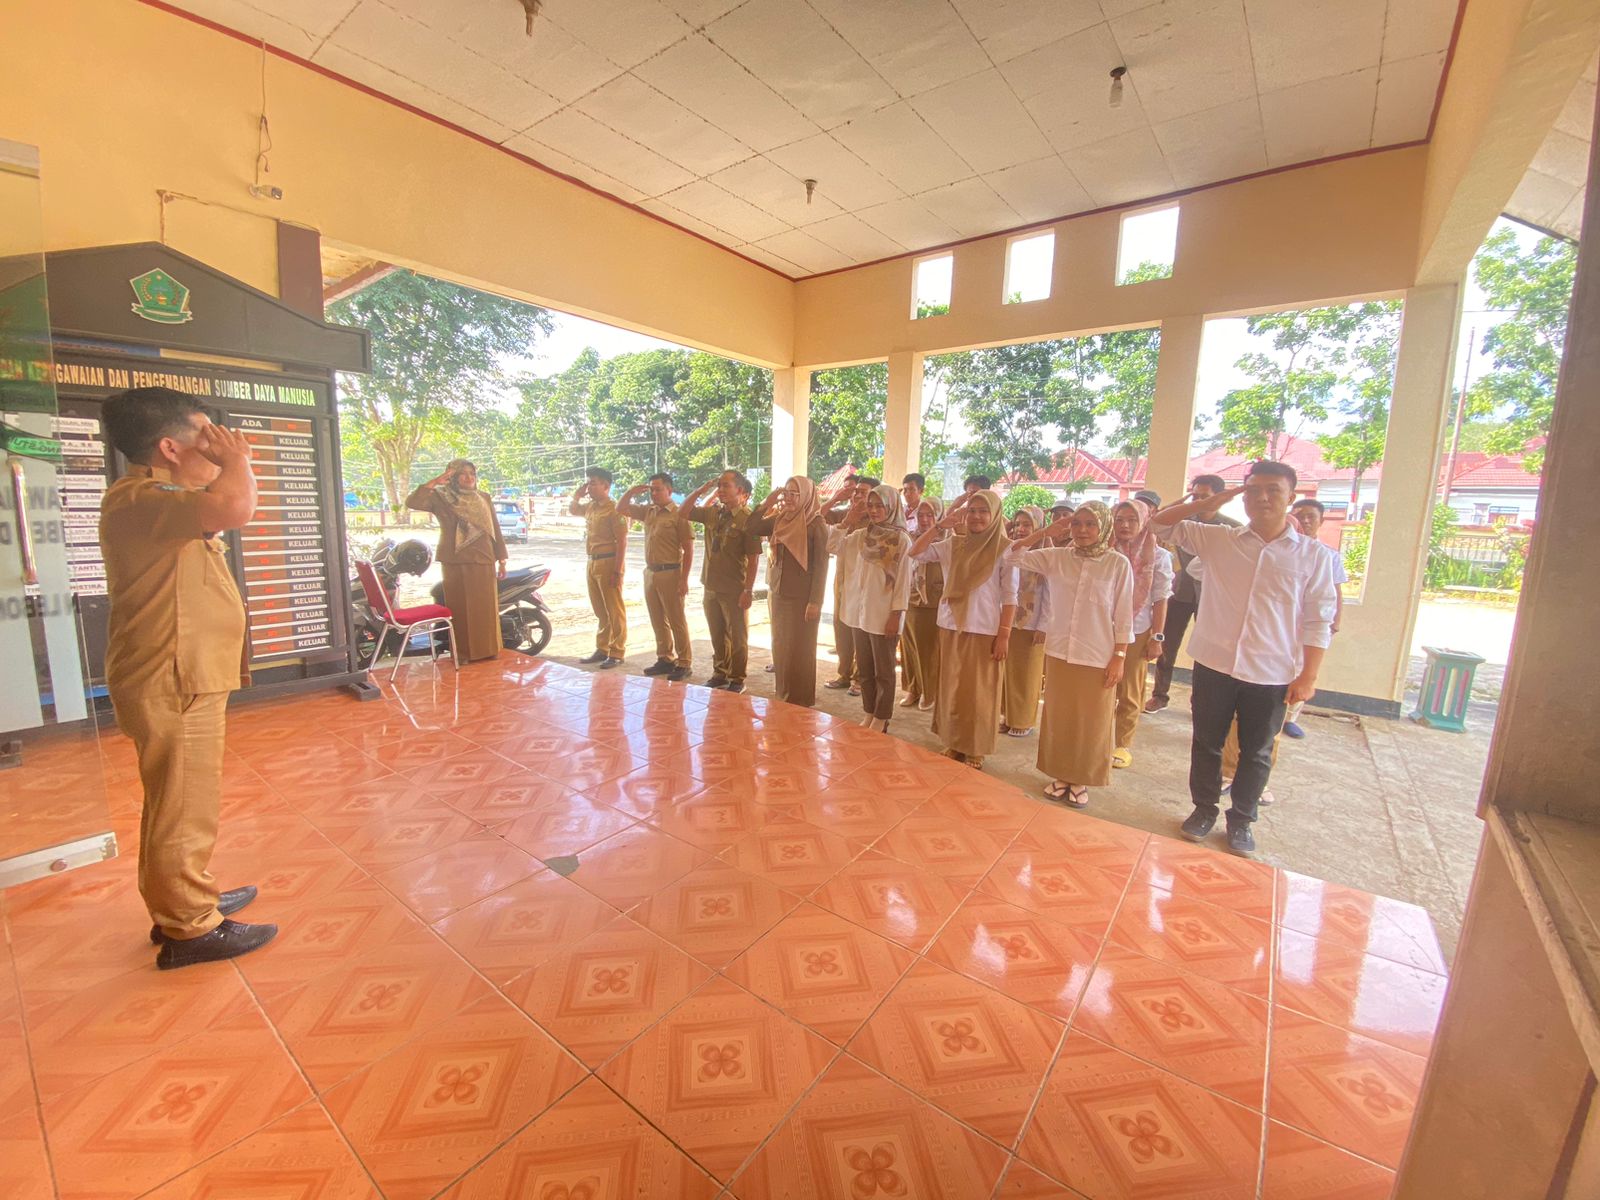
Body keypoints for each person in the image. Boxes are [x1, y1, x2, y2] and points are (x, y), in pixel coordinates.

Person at [98, 387, 276, 969]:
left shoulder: (160, 500)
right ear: (170, 448)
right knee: (182, 803)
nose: (219, 445)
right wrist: (238, 461)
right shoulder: (145, 497)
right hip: (172, 675)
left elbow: (221, 506)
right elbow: (236, 507)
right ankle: (190, 926)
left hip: (178, 673)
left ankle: (182, 897)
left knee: (175, 800)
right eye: (206, 435)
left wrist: (226, 466)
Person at [1150, 462, 1339, 856]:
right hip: (1215, 663)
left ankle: (1241, 820)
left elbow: (1318, 618)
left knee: (1257, 751)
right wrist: (1208, 503)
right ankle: (1203, 810)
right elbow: (1158, 524)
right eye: (1253, 490)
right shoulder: (1219, 539)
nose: (1262, 498)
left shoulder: (1314, 556)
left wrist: (1309, 675)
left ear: (1291, 496)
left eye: (1273, 490)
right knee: (1206, 743)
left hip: (1272, 670)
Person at [1007, 502, 1133, 808]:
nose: (1082, 530)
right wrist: (1045, 532)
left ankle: (1081, 779)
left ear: (1103, 526)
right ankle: (1061, 774)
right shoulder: (1057, 557)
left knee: (1091, 720)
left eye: (1090, 524)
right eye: (1077, 524)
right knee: (1059, 717)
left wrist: (1119, 656)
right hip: (1060, 651)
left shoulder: (1117, 564)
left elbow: (1124, 614)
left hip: (1097, 655)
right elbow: (1012, 556)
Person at [908, 490, 1016, 769]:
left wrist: (1004, 635)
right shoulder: (953, 544)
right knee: (953, 689)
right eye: (971, 511)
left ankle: (975, 747)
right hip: (950, 625)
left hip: (984, 630)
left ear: (995, 515)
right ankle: (954, 742)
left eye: (983, 511)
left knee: (979, 693)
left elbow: (1010, 596)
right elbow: (915, 552)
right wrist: (939, 526)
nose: (976, 516)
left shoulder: (1005, 549)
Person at [1146, 473, 1239, 713]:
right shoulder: (1182, 522)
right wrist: (1187, 503)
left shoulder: (1232, 528)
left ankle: (1201, 701)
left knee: (1209, 648)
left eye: (1204, 496)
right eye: (1195, 495)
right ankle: (1160, 695)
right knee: (1167, 645)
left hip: (1213, 597)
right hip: (1179, 593)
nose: (1199, 500)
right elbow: (1155, 521)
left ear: (1219, 497)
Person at [409, 459, 508, 663]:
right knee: (461, 608)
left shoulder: (484, 497)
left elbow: (494, 528)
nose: (469, 477)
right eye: (463, 473)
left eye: (472, 473)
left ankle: (489, 649)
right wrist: (435, 481)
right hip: (455, 560)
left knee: (485, 608)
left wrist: (502, 559)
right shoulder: (441, 497)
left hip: (484, 558)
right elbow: (413, 502)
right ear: (453, 477)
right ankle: (463, 653)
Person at [836, 484, 912, 732]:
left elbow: (903, 582)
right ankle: (869, 711)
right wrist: (847, 520)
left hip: (884, 615)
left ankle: (882, 717)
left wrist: (896, 615)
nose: (874, 510)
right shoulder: (861, 536)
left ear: (892, 507)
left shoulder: (901, 540)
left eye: (880, 506)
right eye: (870, 505)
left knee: (884, 671)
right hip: (859, 613)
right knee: (865, 669)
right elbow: (832, 546)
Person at [748, 476, 830, 705]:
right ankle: (783, 694)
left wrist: (815, 601)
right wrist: (768, 501)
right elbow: (751, 527)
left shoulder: (815, 524)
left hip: (803, 597)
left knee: (801, 647)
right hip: (778, 591)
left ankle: (801, 700)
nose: (789, 498)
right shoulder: (780, 518)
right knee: (781, 645)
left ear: (807, 496)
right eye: (786, 492)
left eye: (795, 493)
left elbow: (821, 566)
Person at [681, 470, 761, 692]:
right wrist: (701, 490)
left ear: (740, 490)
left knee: (737, 636)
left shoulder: (748, 520)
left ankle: (737, 678)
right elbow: (683, 511)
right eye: (719, 486)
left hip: (734, 588)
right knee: (717, 633)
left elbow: (754, 559)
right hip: (711, 585)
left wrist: (748, 590)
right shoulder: (713, 513)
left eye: (726, 486)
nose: (721, 490)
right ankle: (720, 673)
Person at [1110, 498, 1173, 768]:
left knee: (1130, 690)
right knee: (1101, 687)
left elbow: (1160, 600)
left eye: (1132, 520)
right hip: (1103, 629)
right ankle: (1097, 737)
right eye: (1119, 519)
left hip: (1138, 629)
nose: (1124, 525)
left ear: (1145, 521)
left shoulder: (1158, 556)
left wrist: (1157, 638)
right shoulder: (1105, 550)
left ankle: (1122, 744)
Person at [1282, 498, 1348, 738]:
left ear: (1321, 521)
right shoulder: (1283, 549)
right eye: (1300, 516)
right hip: (1284, 622)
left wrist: (1335, 622)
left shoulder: (1329, 555)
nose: (1305, 521)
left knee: (1303, 668)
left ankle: (1290, 718)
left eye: (1311, 517)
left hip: (1312, 623)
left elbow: (1335, 591)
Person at [617, 473, 693, 681]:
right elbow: (620, 508)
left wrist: (684, 579)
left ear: (669, 490)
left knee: (676, 619)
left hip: (671, 572)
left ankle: (684, 661)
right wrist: (631, 492)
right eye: (651, 489)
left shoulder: (679, 514)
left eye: (658, 489)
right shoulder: (648, 511)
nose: (654, 493)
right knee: (657, 618)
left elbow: (688, 549)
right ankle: (665, 657)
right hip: (651, 572)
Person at [567, 467, 627, 668]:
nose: (589, 487)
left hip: (609, 562)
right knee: (600, 609)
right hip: (592, 561)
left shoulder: (614, 509)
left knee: (614, 609)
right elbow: (573, 510)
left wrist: (618, 571)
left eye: (593, 483)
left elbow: (622, 542)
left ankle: (617, 651)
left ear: (606, 486)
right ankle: (603, 648)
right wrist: (576, 496)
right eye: (589, 483)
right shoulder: (591, 507)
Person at [1000, 505, 1049, 738]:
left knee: (1027, 674)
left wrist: (1044, 625)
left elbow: (1050, 595)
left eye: (1027, 524)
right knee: (1008, 672)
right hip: (1009, 620)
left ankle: (1023, 720)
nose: (1021, 529)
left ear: (1038, 527)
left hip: (1032, 624)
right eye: (1018, 524)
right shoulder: (1011, 551)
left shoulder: (1046, 555)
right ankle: (1008, 716)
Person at [822, 476, 870, 695]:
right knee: (841, 627)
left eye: (863, 492)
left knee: (860, 630)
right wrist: (834, 499)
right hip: (842, 580)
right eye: (856, 492)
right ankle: (844, 673)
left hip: (864, 584)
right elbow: (817, 517)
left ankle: (860, 678)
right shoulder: (844, 514)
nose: (857, 496)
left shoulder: (877, 521)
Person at [900, 496, 944, 711]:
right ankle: (913, 688)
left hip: (933, 601)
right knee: (909, 647)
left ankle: (930, 691)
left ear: (939, 516)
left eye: (930, 515)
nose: (925, 520)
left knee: (928, 650)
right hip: (910, 598)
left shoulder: (948, 539)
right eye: (921, 515)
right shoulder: (912, 537)